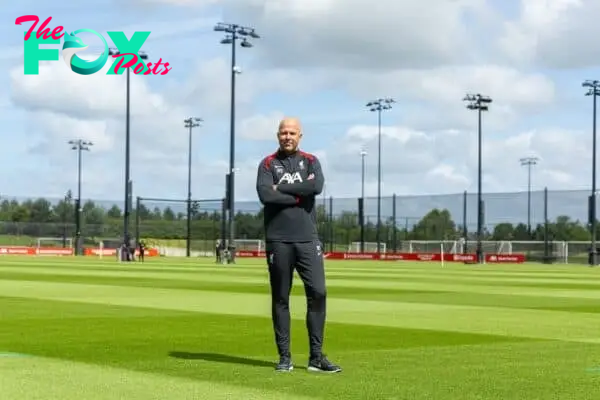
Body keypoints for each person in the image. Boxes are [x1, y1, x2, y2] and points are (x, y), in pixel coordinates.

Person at [255, 117, 341, 373]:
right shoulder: (268, 163)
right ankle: (285, 357)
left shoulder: (311, 161)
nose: (287, 136)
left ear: (300, 135)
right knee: (281, 298)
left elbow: (316, 186)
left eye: (292, 132)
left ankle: (316, 358)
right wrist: (299, 194)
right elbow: (264, 194)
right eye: (283, 133)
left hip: (308, 239)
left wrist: (281, 188)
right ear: (277, 135)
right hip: (278, 240)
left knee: (319, 293)